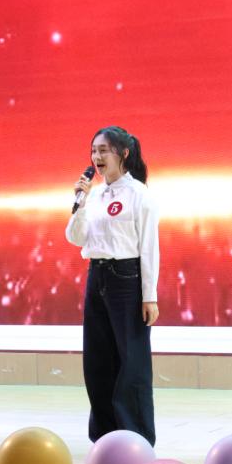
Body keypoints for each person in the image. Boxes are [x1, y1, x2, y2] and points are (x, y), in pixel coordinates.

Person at [65, 125, 159, 446]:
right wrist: (79, 204)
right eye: (94, 151)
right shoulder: (93, 195)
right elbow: (75, 237)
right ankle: (105, 438)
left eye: (103, 150)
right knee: (98, 360)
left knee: (132, 362)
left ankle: (137, 439)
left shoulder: (140, 195)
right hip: (97, 276)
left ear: (124, 154)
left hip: (127, 281)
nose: (97, 157)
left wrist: (149, 296)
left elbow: (149, 248)